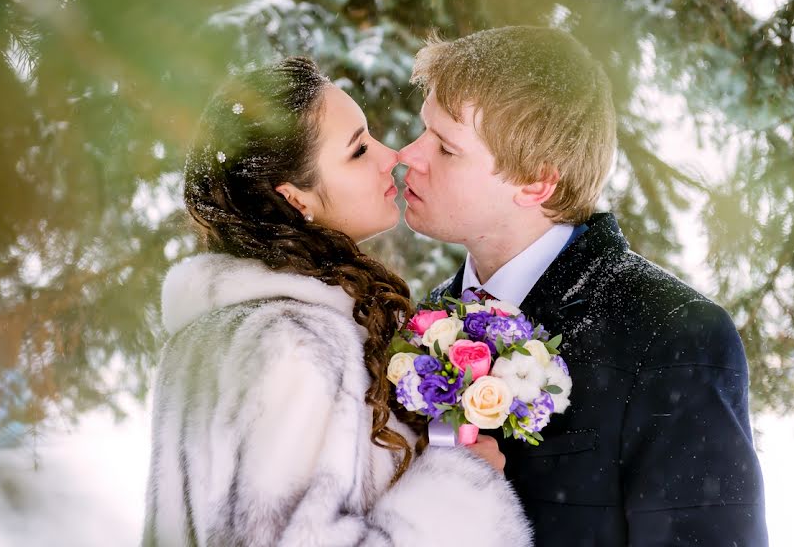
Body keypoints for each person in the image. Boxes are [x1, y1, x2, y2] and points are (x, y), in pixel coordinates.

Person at [399, 27, 769, 546]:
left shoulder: (672, 335)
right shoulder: (423, 323)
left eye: (446, 147)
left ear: (536, 183)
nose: (408, 155)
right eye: (423, 131)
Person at [141, 56, 532, 546]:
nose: (393, 157)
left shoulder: (231, 335)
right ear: (296, 198)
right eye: (358, 149)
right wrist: (461, 485)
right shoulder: (291, 346)